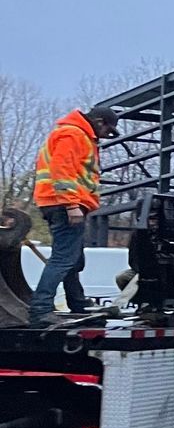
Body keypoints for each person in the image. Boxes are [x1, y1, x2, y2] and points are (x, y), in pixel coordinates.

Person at [27, 104, 118, 325]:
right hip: (63, 204)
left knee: (73, 259)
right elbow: (62, 170)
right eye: (108, 130)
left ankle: (78, 302)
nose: (107, 136)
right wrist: (71, 205)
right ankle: (40, 309)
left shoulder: (76, 134)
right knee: (63, 258)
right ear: (98, 122)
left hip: (59, 203)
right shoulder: (73, 134)